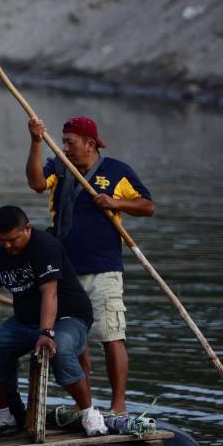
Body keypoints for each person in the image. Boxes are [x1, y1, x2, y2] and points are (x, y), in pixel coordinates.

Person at [25, 116, 154, 415]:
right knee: (76, 335)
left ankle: (118, 405)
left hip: (103, 267)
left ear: (90, 144)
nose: (65, 147)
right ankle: (85, 402)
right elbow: (36, 184)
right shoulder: (58, 165)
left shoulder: (116, 171)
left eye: (70, 142)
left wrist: (116, 203)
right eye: (63, 141)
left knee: (111, 335)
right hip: (65, 268)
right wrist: (35, 141)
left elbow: (147, 206)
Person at [0, 206, 107, 437]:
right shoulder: (0, 254)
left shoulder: (44, 246)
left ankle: (89, 413)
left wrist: (46, 332)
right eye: (3, 240)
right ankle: (3, 416)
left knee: (58, 349)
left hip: (67, 317)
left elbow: (49, 294)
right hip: (25, 321)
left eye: (13, 239)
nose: (8, 246)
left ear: (27, 229)